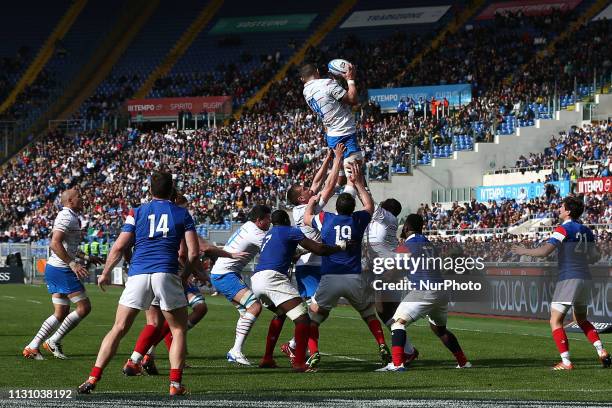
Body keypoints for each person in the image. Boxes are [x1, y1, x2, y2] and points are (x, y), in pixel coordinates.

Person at [77, 172, 200, 396]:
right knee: (178, 329)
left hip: (138, 273)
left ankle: (93, 377)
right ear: (172, 190)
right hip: (166, 272)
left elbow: (119, 246)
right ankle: (175, 385)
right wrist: (185, 277)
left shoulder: (137, 211)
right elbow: (192, 253)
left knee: (119, 328)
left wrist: (105, 273)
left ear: (150, 190)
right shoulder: (182, 213)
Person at [303, 163, 391, 371]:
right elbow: (369, 206)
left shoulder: (327, 218)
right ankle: (382, 345)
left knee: (312, 319)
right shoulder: (358, 219)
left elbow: (307, 219)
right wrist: (359, 184)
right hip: (354, 277)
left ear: (337, 207)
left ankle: (314, 353)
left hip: (330, 277)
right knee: (369, 315)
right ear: (352, 208)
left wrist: (311, 203)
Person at [512, 196, 610, 370]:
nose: (559, 210)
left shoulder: (563, 229)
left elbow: (544, 251)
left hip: (568, 278)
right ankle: (601, 351)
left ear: (568, 211)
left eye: (561, 207)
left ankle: (566, 362)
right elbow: (595, 256)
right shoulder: (587, 231)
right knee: (581, 319)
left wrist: (522, 250)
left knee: (555, 320)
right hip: (585, 278)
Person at [376, 213, 471, 372]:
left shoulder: (407, 245)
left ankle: (397, 364)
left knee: (397, 323)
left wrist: (378, 279)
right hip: (441, 291)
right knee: (439, 329)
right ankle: (463, 362)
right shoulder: (429, 244)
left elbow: (394, 271)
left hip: (425, 290)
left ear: (406, 228)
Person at [253, 209, 346, 370]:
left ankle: (267, 358)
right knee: (303, 319)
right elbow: (320, 250)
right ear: (285, 220)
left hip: (257, 280)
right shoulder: (290, 231)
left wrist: (302, 251)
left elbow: (289, 254)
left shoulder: (270, 234)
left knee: (280, 314)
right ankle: (299, 363)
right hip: (272, 278)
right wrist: (339, 247)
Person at [279, 143, 345, 360]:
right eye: (305, 190)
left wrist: (326, 158)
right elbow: (329, 185)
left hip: (314, 262)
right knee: (317, 309)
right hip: (309, 264)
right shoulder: (310, 208)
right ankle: (304, 350)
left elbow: (317, 183)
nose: (309, 189)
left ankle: (294, 344)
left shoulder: (305, 205)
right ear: (301, 199)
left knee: (320, 309)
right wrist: (337, 159)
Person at [23, 189, 102, 360]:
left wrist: (87, 257)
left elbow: (68, 246)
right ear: (71, 201)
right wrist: (72, 264)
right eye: (80, 196)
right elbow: (55, 243)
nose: (83, 198)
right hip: (62, 269)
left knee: (61, 312)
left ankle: (33, 346)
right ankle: (52, 341)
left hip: (55, 268)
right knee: (84, 307)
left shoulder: (71, 216)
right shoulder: (66, 216)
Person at [209, 205, 272, 366]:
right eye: (267, 218)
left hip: (224, 273)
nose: (270, 221)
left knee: (246, 311)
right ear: (259, 220)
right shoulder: (256, 232)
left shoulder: (248, 226)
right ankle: (235, 351)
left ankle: (235, 352)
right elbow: (273, 247)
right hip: (225, 274)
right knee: (255, 307)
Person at [364, 198, 419, 366]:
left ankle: (406, 353)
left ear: (387, 209)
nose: (379, 205)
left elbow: (370, 203)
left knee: (390, 314)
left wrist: (359, 182)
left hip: (389, 272)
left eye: (383, 203)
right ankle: (408, 351)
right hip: (386, 270)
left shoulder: (388, 218)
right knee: (384, 312)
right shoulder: (381, 224)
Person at [301, 62, 361, 190]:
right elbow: (353, 99)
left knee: (342, 178)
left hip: (331, 135)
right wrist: (350, 80)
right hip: (345, 132)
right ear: (317, 71)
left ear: (302, 79)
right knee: (354, 177)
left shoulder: (305, 91)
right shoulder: (327, 84)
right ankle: (347, 207)